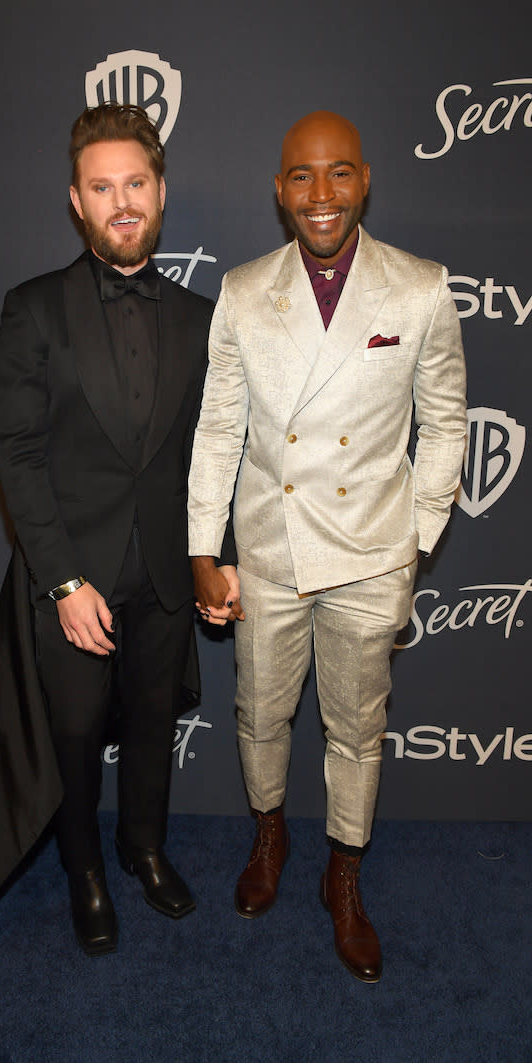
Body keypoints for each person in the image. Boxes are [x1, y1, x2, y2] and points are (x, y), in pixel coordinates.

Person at [187, 110, 467, 982]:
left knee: (357, 730)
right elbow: (219, 428)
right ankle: (270, 840)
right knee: (260, 715)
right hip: (270, 552)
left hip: (369, 555)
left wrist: (410, 544)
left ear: (365, 180)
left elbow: (447, 426)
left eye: (338, 173)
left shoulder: (419, 288)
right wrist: (204, 544)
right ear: (279, 190)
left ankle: (344, 875)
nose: (321, 194)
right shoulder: (241, 291)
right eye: (302, 177)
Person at [0, 102, 237, 956]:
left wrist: (214, 561)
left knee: (151, 726)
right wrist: (59, 580)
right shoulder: (32, 310)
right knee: (76, 738)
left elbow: (213, 457)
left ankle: (146, 849)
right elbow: (16, 453)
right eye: (103, 187)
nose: (121, 201)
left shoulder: (201, 319)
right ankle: (85, 871)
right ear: (76, 199)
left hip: (167, 577)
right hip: (75, 583)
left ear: (161, 193)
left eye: (136, 183)